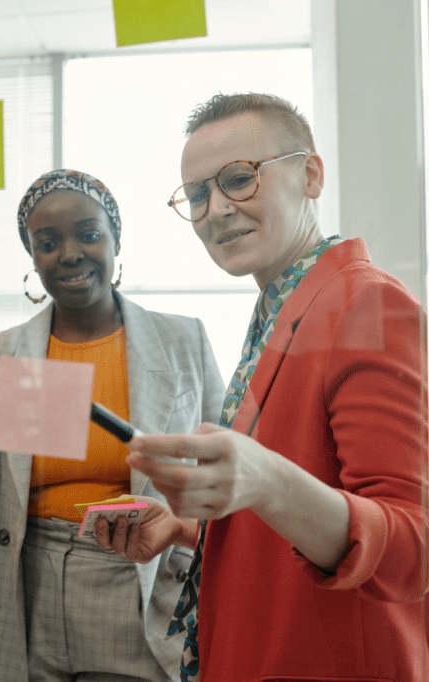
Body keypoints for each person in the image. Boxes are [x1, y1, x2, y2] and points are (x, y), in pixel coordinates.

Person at [97, 93, 429, 681]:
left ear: (310, 175)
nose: (216, 209)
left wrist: (264, 478)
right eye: (197, 194)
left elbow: (410, 549)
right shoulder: (285, 308)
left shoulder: (364, 303)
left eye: (238, 179)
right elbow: (297, 515)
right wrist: (187, 527)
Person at [0, 169, 225, 682]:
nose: (69, 253)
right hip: (27, 595)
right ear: (32, 256)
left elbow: (228, 487)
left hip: (145, 585)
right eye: (47, 243)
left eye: (89, 235)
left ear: (116, 240)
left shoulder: (185, 340)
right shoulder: (3, 356)